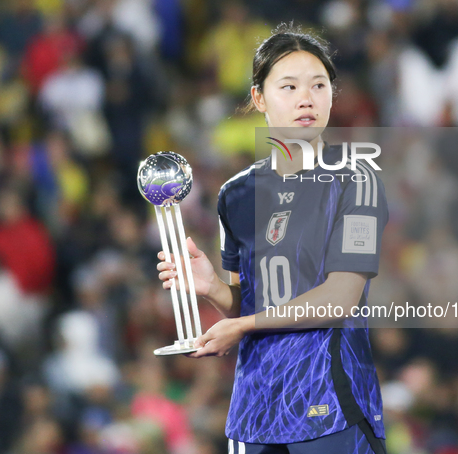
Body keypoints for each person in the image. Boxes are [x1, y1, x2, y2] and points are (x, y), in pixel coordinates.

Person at [157, 23, 388, 454]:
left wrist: (240, 324)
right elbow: (250, 300)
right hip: (255, 413)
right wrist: (211, 288)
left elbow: (339, 298)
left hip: (330, 406)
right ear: (259, 97)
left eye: (320, 85)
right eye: (289, 86)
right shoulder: (236, 194)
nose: (307, 98)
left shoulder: (356, 182)